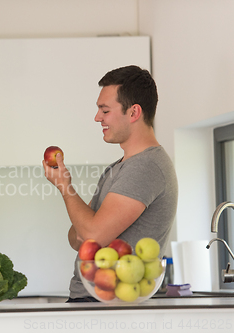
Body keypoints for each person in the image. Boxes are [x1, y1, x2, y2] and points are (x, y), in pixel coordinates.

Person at [43, 65, 178, 302]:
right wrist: (88, 228)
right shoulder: (119, 167)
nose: (97, 118)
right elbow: (77, 239)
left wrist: (65, 187)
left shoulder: (146, 167)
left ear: (134, 112)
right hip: (93, 300)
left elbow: (91, 235)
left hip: (110, 305)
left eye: (104, 110)